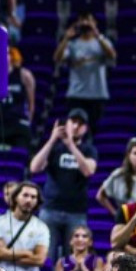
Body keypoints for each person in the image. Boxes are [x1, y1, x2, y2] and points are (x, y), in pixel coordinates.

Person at [30, 109, 97, 258]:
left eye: (80, 124)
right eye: (73, 122)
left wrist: (71, 145)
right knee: (45, 256)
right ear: (66, 124)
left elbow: (88, 171)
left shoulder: (89, 150)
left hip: (76, 211)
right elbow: (34, 167)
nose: (76, 126)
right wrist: (52, 139)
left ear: (86, 128)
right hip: (50, 209)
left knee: (74, 258)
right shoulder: (55, 148)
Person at [53, 11, 116, 136]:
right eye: (82, 20)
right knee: (76, 131)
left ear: (95, 23)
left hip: (97, 95)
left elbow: (112, 55)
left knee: (93, 131)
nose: (85, 23)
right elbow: (57, 58)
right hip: (76, 94)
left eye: (88, 20)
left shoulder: (102, 42)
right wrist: (65, 38)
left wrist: (98, 35)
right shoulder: (73, 44)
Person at [0, 46, 34, 150]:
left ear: (11, 56)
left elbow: (31, 104)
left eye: (6, 53)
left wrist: (28, 121)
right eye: (0, 53)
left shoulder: (24, 75)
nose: (3, 56)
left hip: (18, 124)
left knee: (21, 153)